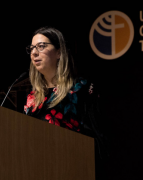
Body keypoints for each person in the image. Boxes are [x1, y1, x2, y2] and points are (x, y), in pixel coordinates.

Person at [24, 27, 106, 157]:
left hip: (72, 166)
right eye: (31, 48)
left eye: (41, 46)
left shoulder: (81, 88)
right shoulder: (32, 97)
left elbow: (97, 140)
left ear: (59, 53)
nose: (34, 52)